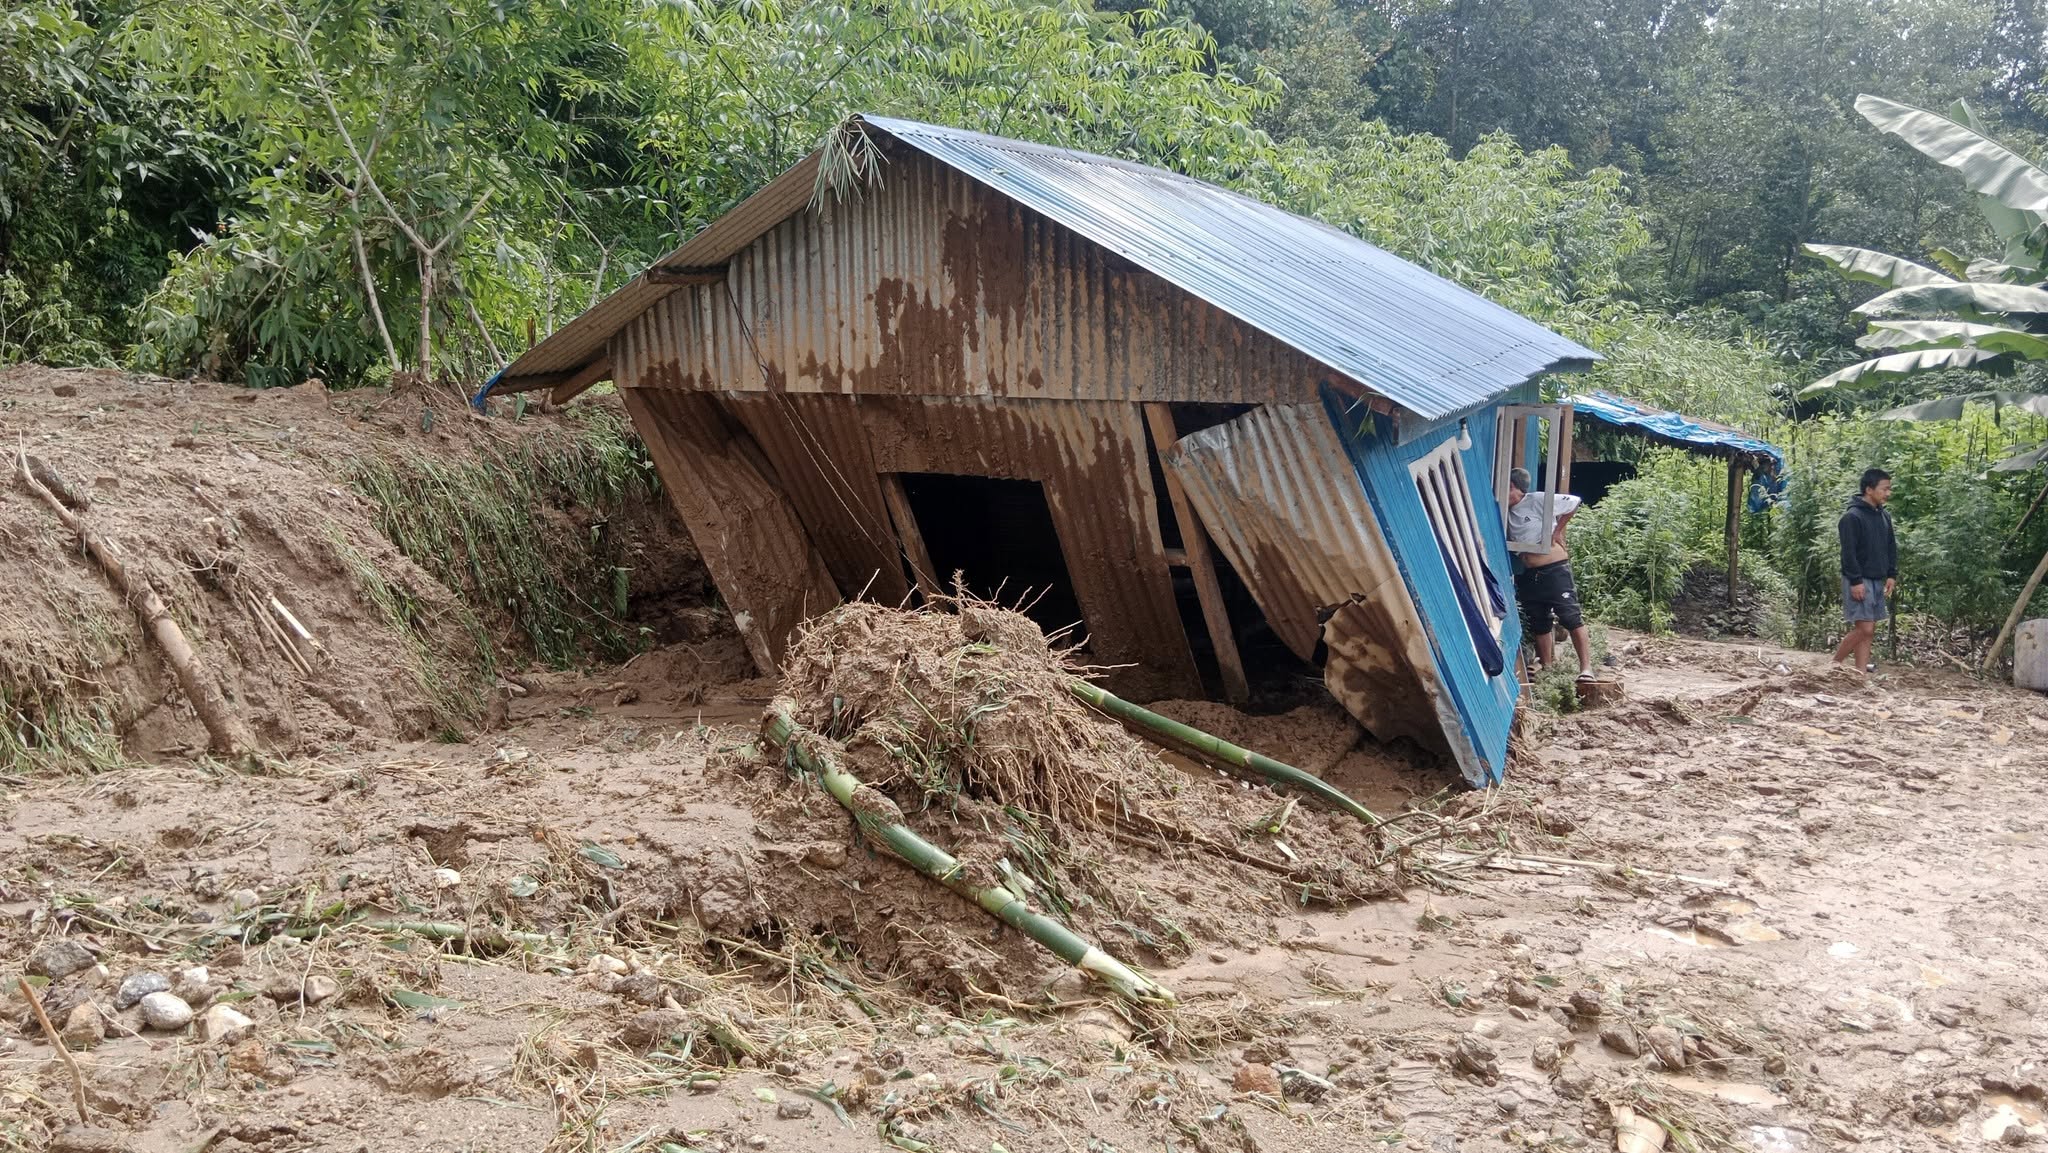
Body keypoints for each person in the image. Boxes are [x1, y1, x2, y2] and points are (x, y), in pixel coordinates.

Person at [1506, 467, 1592, 679]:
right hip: (1530, 573)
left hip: (1554, 569)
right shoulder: (1505, 511)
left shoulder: (1535, 500)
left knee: (1570, 617)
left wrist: (1558, 530)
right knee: (1539, 621)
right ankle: (1549, 670)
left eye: (1505, 489)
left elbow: (1573, 502)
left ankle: (1586, 669)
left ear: (1513, 488)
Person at [1831, 468, 1897, 672]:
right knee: (1864, 628)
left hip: (1877, 578)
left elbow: (1891, 546)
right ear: (1869, 489)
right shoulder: (1852, 517)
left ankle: (1860, 675)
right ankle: (1834, 663)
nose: (1888, 493)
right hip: (1859, 580)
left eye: (1889, 489)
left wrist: (1891, 574)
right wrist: (1856, 581)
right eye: (1884, 489)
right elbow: (1848, 554)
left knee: (1868, 631)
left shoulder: (1884, 516)